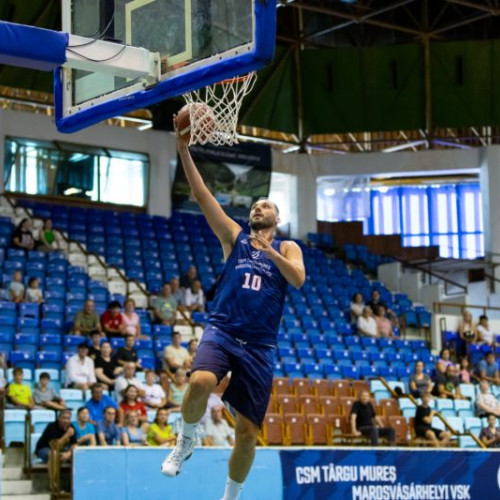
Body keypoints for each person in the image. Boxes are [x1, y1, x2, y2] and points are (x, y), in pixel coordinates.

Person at [161, 120, 305, 500]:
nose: (258, 207)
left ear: (276, 218)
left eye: (265, 205)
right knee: (200, 382)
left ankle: (231, 497)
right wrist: (182, 148)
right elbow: (201, 193)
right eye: (255, 205)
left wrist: (270, 251)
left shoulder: (288, 248)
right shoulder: (234, 238)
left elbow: (298, 279)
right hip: (223, 330)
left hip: (259, 346)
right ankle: (186, 441)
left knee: (246, 433)